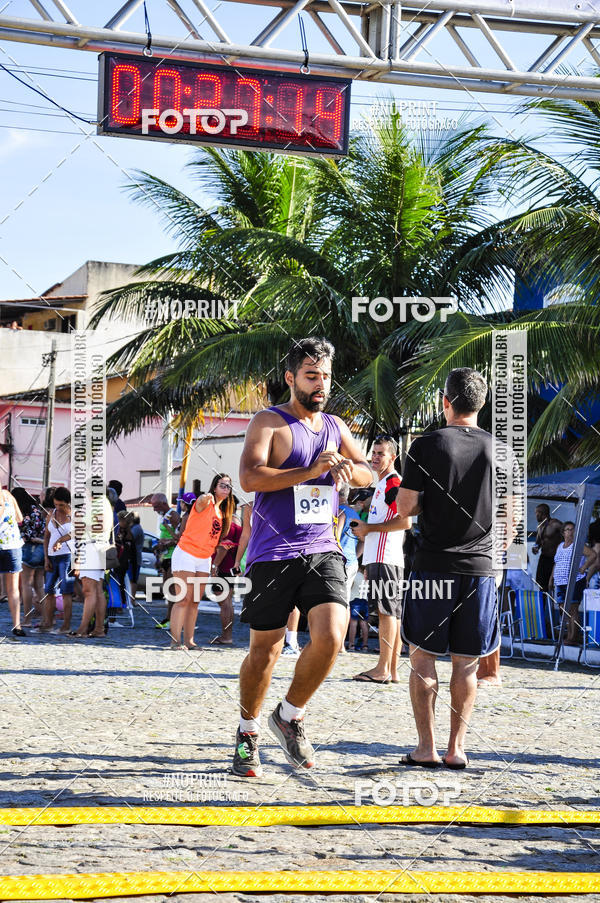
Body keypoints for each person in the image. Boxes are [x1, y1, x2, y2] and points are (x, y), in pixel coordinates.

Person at [232, 336, 372, 778]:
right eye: (312, 376)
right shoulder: (268, 422)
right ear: (291, 378)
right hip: (271, 554)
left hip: (322, 549)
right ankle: (248, 730)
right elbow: (251, 477)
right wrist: (309, 472)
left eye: (326, 377)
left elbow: (369, 470)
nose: (321, 385)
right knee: (265, 652)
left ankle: (289, 715)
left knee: (333, 634)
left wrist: (351, 470)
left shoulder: (336, 425)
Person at [393, 367, 518, 770]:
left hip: (432, 566)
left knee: (423, 657)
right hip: (479, 570)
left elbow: (407, 508)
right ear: (480, 405)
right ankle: (456, 749)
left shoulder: (426, 445)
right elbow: (511, 520)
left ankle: (425, 748)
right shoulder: (502, 450)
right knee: (466, 663)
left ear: (445, 402)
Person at [351, 437, 409, 684]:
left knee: (386, 613)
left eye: (380, 453)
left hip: (386, 558)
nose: (375, 457)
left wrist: (368, 528)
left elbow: (405, 522)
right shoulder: (383, 484)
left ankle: (383, 668)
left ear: (392, 457)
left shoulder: (393, 483)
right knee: (391, 614)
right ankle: (391, 670)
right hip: (382, 559)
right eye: (373, 453)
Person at [170, 474, 235, 649]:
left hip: (204, 558)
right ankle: (175, 641)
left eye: (228, 487)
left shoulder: (221, 514)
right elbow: (199, 502)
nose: (225, 489)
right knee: (183, 599)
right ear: (214, 487)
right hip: (186, 553)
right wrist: (204, 497)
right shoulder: (206, 503)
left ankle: (189, 641)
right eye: (222, 485)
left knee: (194, 601)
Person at [70, 490, 114, 638]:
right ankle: (99, 629)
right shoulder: (105, 503)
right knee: (98, 591)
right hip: (101, 547)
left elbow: (92, 526)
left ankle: (82, 629)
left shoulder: (95, 504)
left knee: (89, 591)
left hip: (91, 547)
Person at [550, 521, 596, 644]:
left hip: (575, 581)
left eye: (573, 530)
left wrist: (583, 568)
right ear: (563, 532)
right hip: (560, 582)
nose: (571, 532)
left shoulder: (578, 545)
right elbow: (556, 563)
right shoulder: (560, 546)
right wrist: (551, 579)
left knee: (573, 609)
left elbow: (593, 555)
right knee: (564, 609)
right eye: (568, 529)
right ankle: (570, 634)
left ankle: (572, 637)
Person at [41, 486, 74, 634]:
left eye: (61, 505)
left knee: (66, 590)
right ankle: (48, 623)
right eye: (56, 504)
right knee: (49, 590)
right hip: (52, 556)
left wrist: (61, 540)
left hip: (67, 555)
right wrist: (46, 558)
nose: (58, 507)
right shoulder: (51, 514)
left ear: (68, 503)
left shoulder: (74, 515)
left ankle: (66, 625)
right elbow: (46, 537)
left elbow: (77, 534)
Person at [211, 501, 242, 645]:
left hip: (223, 566)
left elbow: (225, 545)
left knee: (224, 603)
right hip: (231, 566)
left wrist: (214, 565)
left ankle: (226, 636)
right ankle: (227, 635)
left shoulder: (228, 522)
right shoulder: (237, 519)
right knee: (227, 603)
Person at [12, 487, 45, 627]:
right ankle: (46, 618)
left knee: (26, 585)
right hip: (41, 548)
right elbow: (43, 528)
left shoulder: (20, 512)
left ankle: (27, 620)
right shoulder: (37, 510)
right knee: (39, 586)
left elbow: (24, 534)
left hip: (27, 548)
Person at [151, 493, 180, 629]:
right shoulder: (164, 516)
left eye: (156, 506)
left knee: (173, 590)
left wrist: (166, 544)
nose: (154, 510)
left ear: (163, 503)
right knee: (167, 589)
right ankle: (169, 617)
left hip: (173, 556)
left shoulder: (173, 515)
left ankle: (172, 619)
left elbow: (180, 538)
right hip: (165, 556)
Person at [0, 487, 25, 636]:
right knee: (13, 588)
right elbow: (19, 518)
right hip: (12, 545)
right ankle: (17, 625)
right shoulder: (8, 495)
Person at [532, 504, 563, 593]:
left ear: (542, 513)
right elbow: (538, 542)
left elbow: (567, 535)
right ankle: (543, 605)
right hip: (543, 558)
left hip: (554, 559)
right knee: (540, 584)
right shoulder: (540, 526)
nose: (535, 515)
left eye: (536, 513)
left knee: (550, 584)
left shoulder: (556, 524)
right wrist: (536, 547)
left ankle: (551, 606)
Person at [348, 566, 369, 652]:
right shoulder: (368, 577)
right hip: (365, 601)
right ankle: (365, 645)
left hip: (354, 600)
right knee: (364, 624)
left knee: (353, 623)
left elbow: (350, 586)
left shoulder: (356, 575)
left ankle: (351, 644)